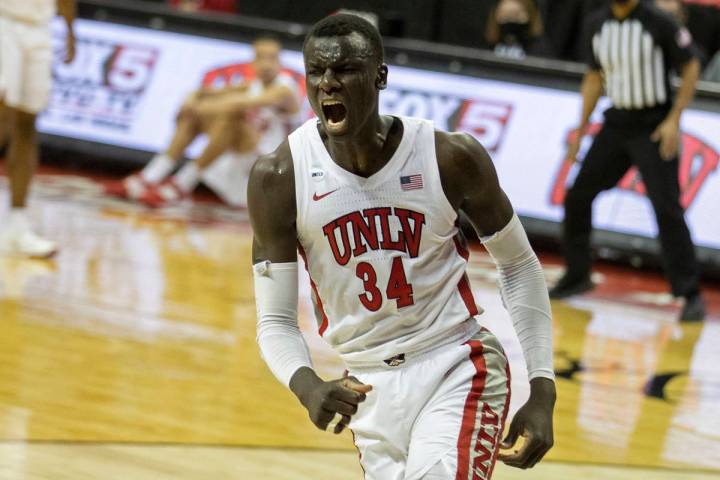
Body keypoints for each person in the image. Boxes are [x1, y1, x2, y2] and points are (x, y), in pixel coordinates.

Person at [249, 14, 555, 479]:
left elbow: (518, 265)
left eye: (345, 70)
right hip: (368, 387)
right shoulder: (279, 177)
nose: (328, 84)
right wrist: (306, 384)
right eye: (317, 72)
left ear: (380, 76)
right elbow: (274, 320)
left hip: (456, 364)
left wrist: (543, 389)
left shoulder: (449, 156)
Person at [550, 0, 706, 322]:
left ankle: (689, 292)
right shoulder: (596, 23)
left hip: (653, 125)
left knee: (667, 209)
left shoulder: (658, 21)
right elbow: (595, 77)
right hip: (616, 125)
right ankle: (577, 275)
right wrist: (581, 130)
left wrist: (674, 120)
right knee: (578, 196)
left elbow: (690, 65)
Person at [106, 36, 300, 208]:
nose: (266, 64)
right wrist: (191, 98)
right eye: (261, 58)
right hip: (245, 158)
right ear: (252, 62)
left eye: (272, 58)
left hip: (273, 166)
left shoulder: (285, 89)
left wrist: (199, 107)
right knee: (193, 115)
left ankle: (182, 184)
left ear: (280, 62)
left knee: (231, 115)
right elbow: (206, 92)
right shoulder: (252, 85)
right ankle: (150, 176)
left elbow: (240, 103)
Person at [0, 0, 76, 258]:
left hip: (40, 27)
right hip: (3, 21)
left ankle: (17, 227)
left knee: (27, 123)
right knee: (3, 116)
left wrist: (70, 30)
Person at [485, 0, 555, 60]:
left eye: (517, 16)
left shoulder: (541, 49)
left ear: (530, 16)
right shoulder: (485, 46)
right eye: (506, 17)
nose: (512, 21)